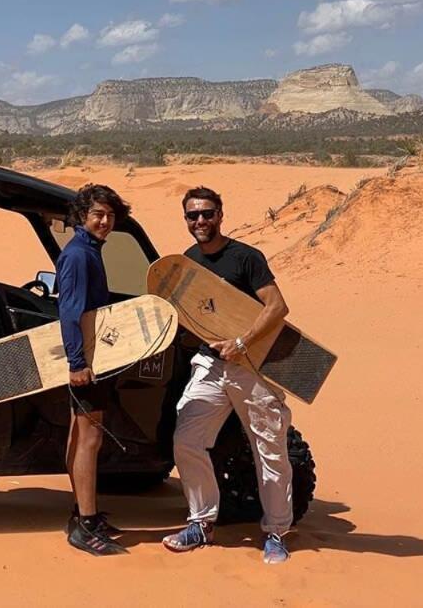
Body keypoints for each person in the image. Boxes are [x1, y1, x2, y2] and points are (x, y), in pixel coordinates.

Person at [162, 186, 294, 564]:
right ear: (186, 220)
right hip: (211, 365)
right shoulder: (187, 263)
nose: (200, 221)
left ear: (220, 215)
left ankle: (275, 533)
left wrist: (242, 341)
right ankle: (201, 523)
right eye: (192, 216)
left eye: (207, 214)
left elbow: (277, 307)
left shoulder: (246, 258)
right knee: (187, 438)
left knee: (269, 448)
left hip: (251, 365)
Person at [57, 183, 130, 556]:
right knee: (89, 439)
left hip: (91, 357)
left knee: (80, 435)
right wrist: (77, 364)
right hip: (85, 361)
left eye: (110, 215)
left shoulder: (89, 251)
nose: (104, 221)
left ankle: (83, 513)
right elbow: (70, 312)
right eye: (98, 214)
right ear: (82, 216)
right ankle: (85, 525)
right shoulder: (77, 256)